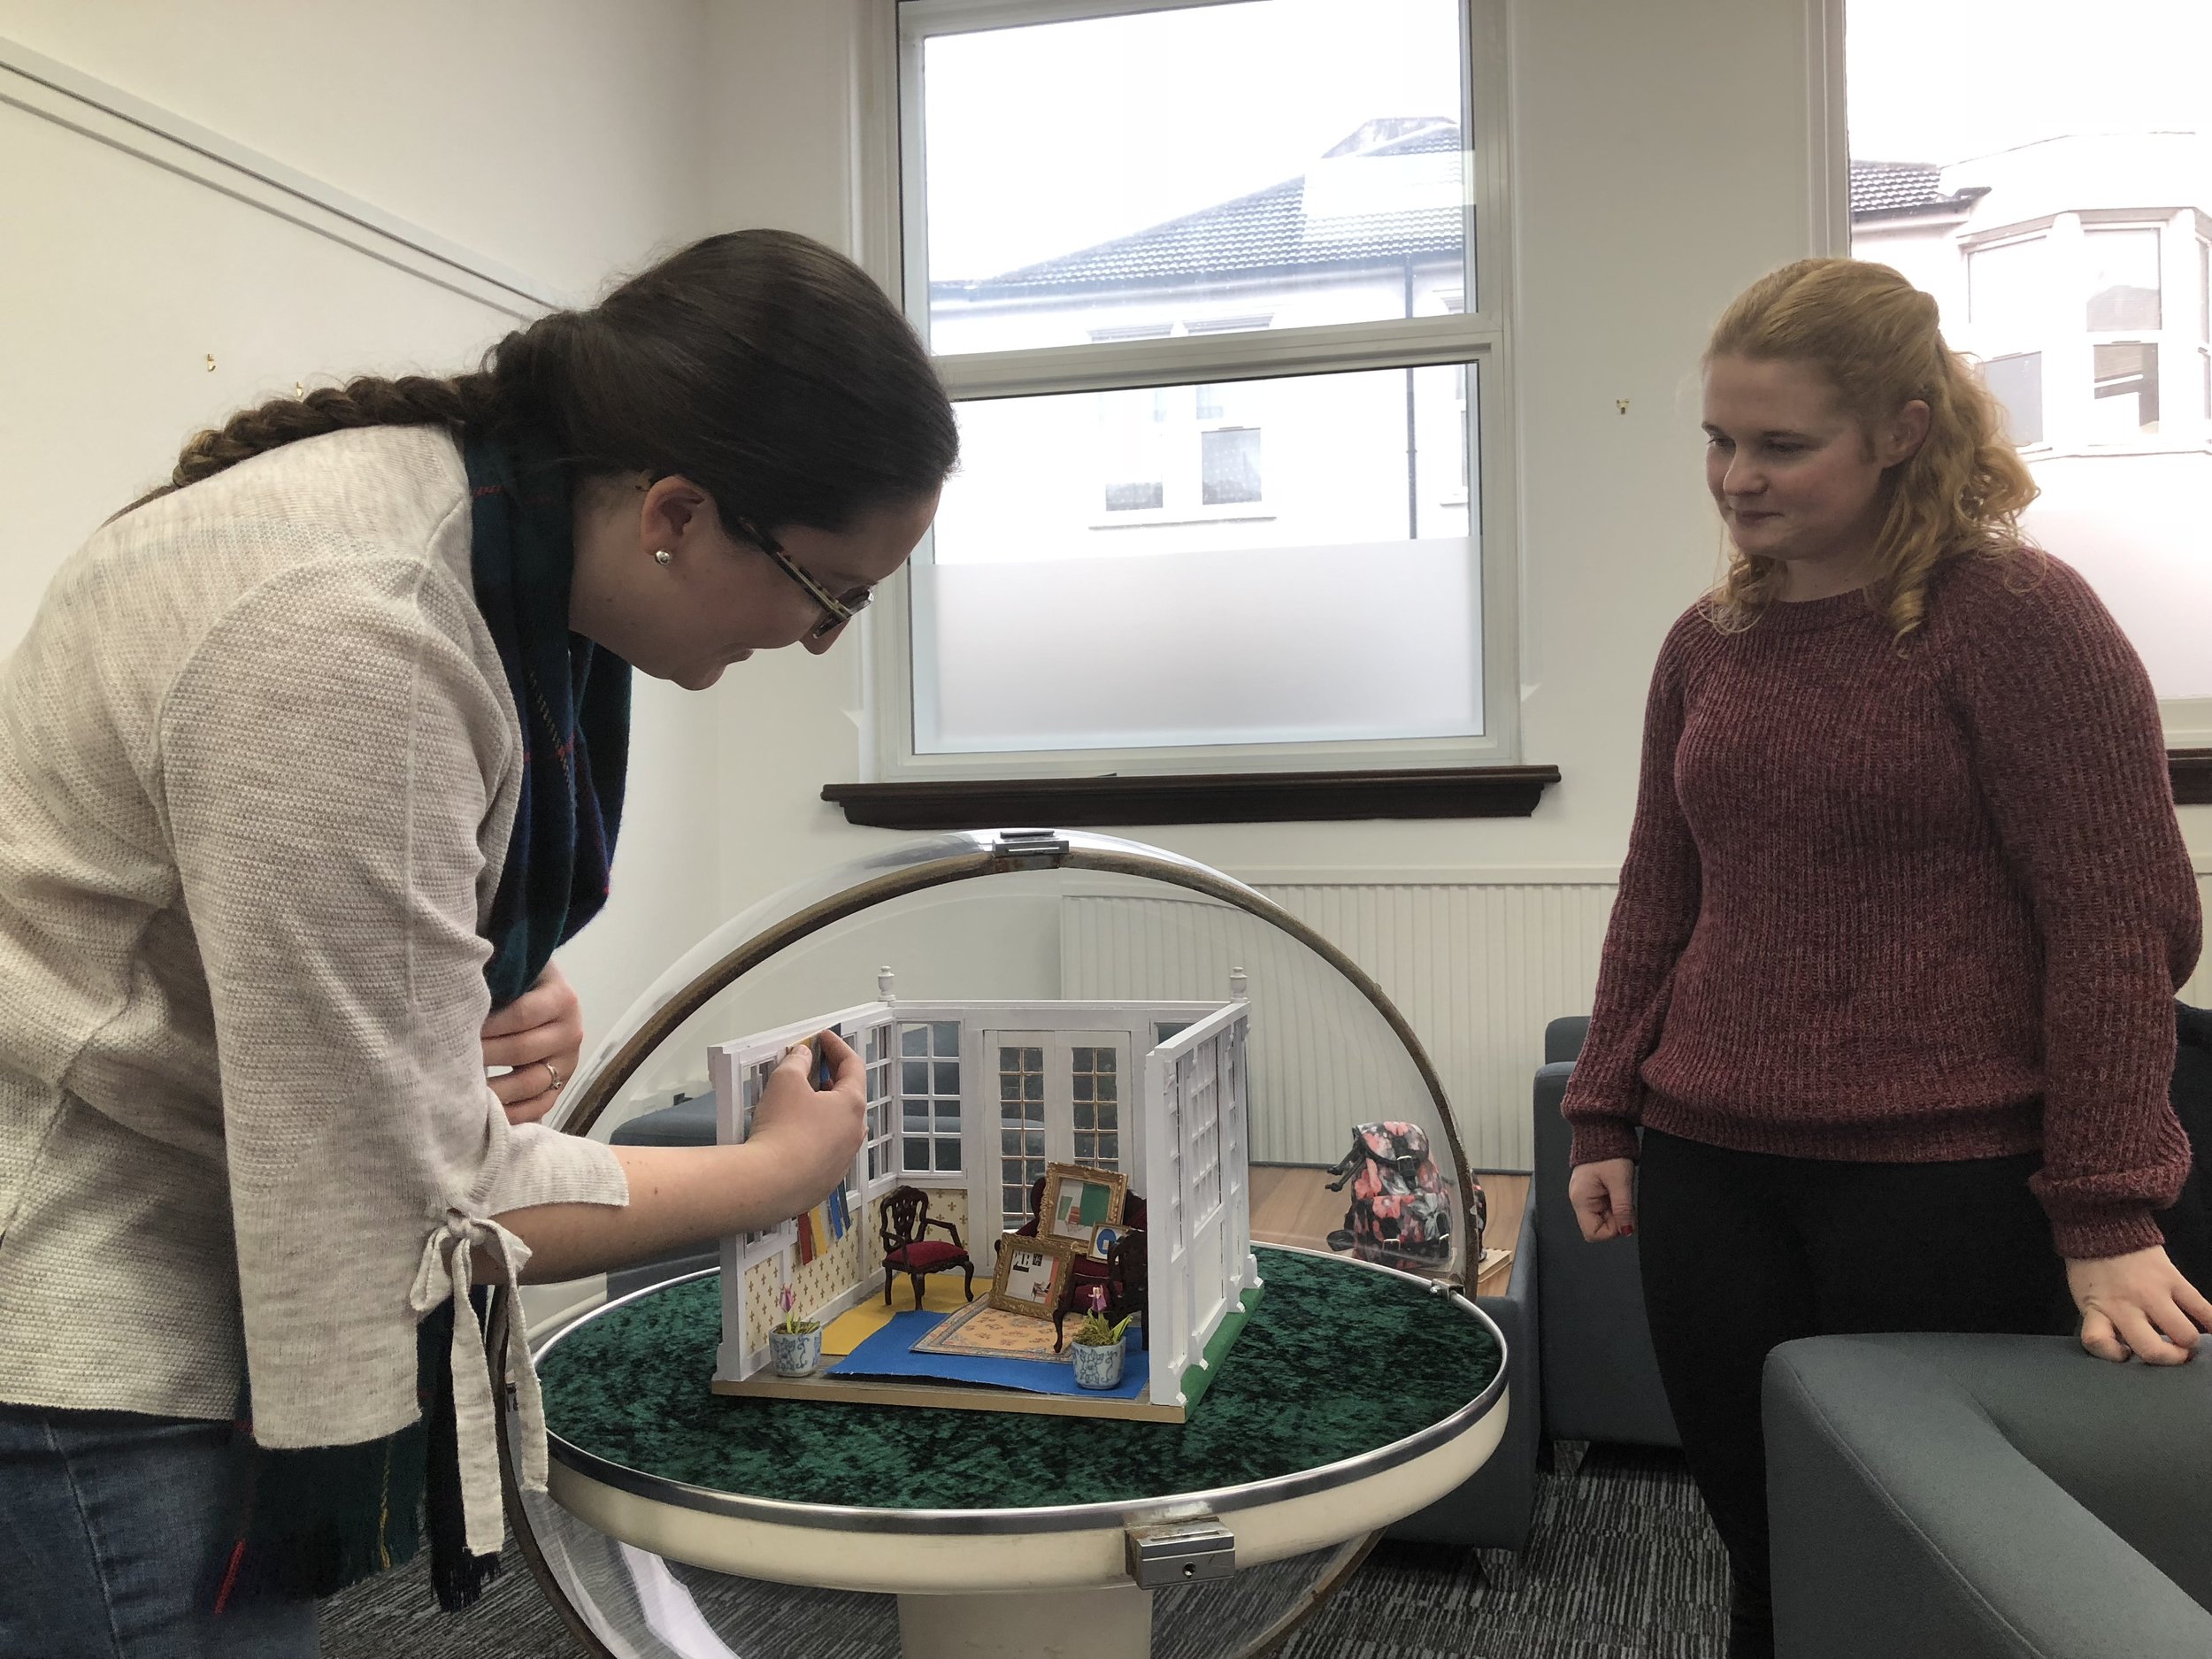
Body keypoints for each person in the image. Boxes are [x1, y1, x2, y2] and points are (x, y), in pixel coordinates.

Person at [0, 227, 958, 1658]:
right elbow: (423, 1204)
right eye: (828, 593)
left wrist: (486, 992)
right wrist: (776, 1173)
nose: (820, 643)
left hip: (177, 1248)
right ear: (678, 514)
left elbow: (305, 917)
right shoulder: (355, 639)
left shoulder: (474, 546)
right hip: (88, 1334)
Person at [1559, 257, 2209, 1659]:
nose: (1737, 477)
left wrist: (2107, 1206)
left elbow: (2122, 924)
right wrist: (1606, 1106)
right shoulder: (1708, 640)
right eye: (1721, 441)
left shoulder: (2020, 619)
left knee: (1913, 1567)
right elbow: (1660, 891)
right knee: (1761, 1544)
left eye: (1782, 444)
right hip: (1711, 1169)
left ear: (1904, 430)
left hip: (1949, 1185)